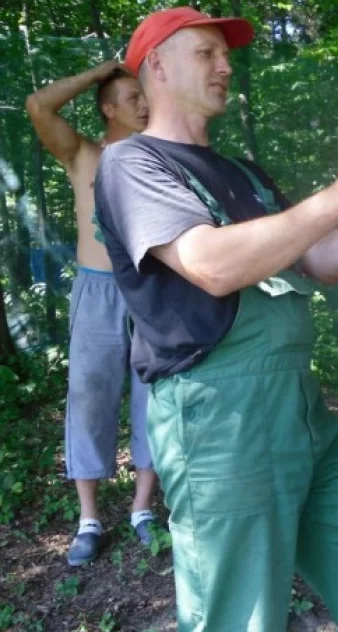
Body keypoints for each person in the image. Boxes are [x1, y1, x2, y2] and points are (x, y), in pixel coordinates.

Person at [92, 7, 338, 631]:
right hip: (219, 419)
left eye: (227, 54)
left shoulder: (243, 171)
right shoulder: (131, 164)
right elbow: (209, 264)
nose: (225, 65)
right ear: (156, 65)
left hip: (301, 408)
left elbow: (321, 258)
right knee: (239, 616)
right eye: (206, 53)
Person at [26, 60, 156, 566]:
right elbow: (39, 105)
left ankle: (142, 510)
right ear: (107, 109)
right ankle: (89, 519)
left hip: (149, 292)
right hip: (97, 290)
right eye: (132, 98)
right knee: (89, 398)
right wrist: (104, 69)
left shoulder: (158, 157)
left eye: (145, 96)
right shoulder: (84, 154)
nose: (144, 105)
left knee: (154, 399)